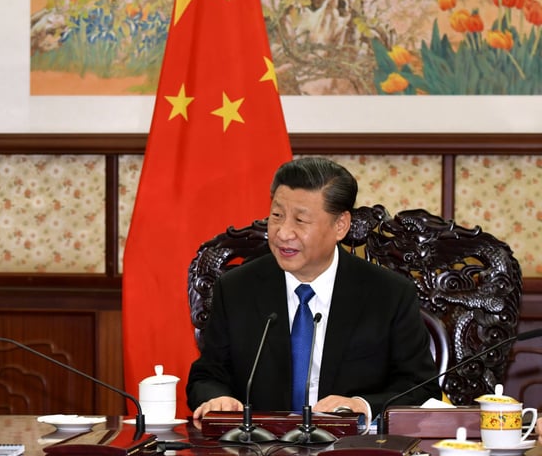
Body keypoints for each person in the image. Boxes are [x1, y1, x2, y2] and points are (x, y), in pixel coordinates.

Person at [187, 157, 440, 424]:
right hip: (260, 453)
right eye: (277, 216)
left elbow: (421, 388)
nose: (283, 233)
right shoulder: (237, 288)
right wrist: (217, 398)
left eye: (300, 220)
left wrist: (361, 405)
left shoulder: (389, 294)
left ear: (340, 225)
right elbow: (207, 376)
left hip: (348, 453)